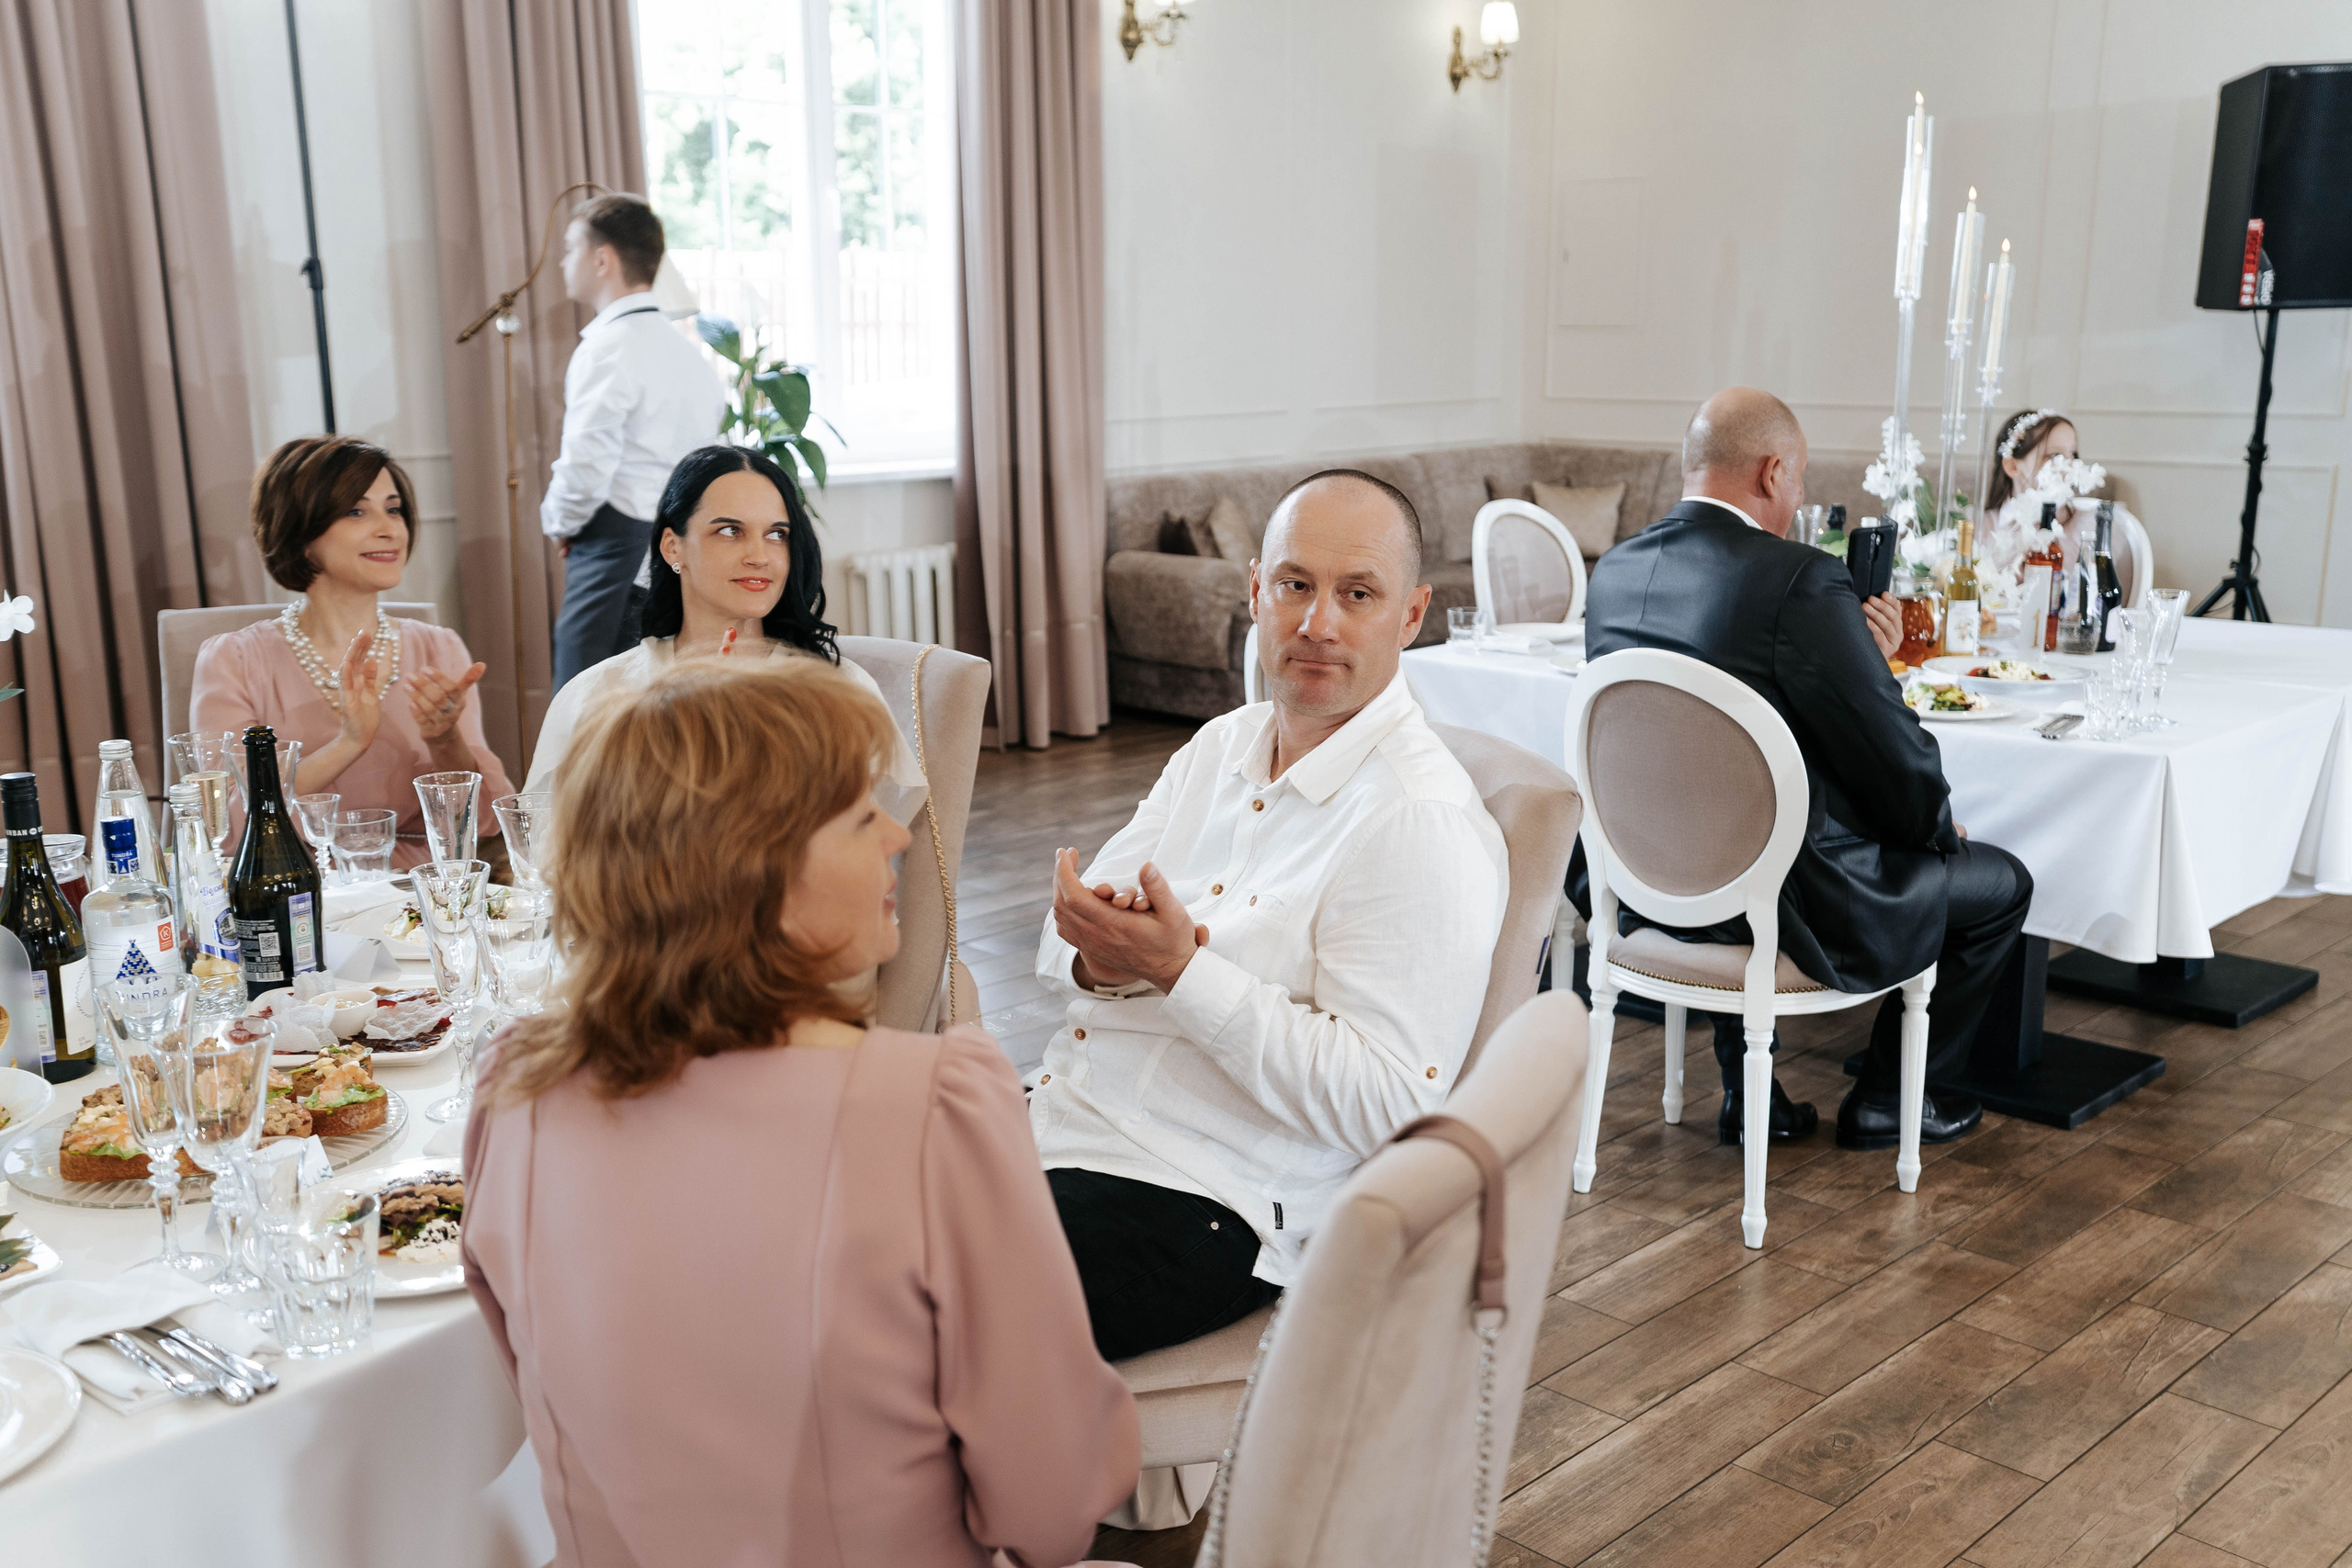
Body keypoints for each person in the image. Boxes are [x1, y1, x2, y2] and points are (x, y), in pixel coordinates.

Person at [464, 657, 1138, 1568]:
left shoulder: (515, 1092)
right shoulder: (933, 1107)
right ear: (757, 870)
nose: (898, 837)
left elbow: (541, 1389)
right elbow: (1052, 1505)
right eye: (861, 815)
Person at [1031, 469, 1509, 1361]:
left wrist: (1178, 971)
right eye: (1295, 585)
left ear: (1411, 614)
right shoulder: (1219, 746)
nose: (1317, 623)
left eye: (1357, 594)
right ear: (1255, 589)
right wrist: (1100, 955)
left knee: (889, 1315)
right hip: (1060, 1121)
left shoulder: (1417, 821)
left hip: (1204, 1195)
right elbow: (1060, 952)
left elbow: (1390, 1105)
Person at [1582, 387, 2030, 1150]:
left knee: (1723, 824)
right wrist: (1933, 833)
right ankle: (1887, 1099)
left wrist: (1861, 655)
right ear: (1771, 472)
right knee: (2000, 884)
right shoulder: (1799, 578)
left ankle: (1746, 1088)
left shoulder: (1615, 571)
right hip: (1779, 899)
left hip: (1646, 881)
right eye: (1799, 479)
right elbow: (1890, 750)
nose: (1797, 500)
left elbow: (1702, 737)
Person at [526, 446, 926, 819]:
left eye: (777, 534)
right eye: (730, 531)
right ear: (672, 547)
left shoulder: (837, 691)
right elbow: (549, 846)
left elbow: (872, 833)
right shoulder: (598, 694)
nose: (759, 556)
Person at [191, 436, 515, 870]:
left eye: (394, 509)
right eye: (357, 512)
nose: (389, 529)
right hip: (293, 882)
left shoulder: (438, 648)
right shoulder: (233, 661)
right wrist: (349, 743)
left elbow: (485, 820)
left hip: (418, 884)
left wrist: (444, 739)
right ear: (301, 532)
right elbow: (226, 826)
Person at [543, 192, 725, 693]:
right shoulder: (689, 355)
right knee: (662, 701)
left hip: (615, 549)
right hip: (682, 551)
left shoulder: (606, 348)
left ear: (602, 259)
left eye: (570, 249)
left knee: (584, 704)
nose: (562, 262)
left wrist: (561, 523)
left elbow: (586, 466)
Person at [1979, 408, 2147, 604]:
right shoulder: (1982, 527)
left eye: (2072, 453)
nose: (2069, 464)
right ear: (2013, 466)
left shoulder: (2087, 530)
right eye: (2054, 455)